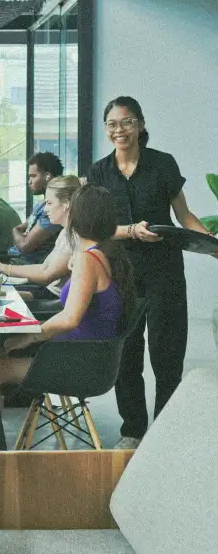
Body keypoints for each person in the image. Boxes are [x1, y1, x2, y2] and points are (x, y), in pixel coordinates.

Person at [88, 95, 217, 450]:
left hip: (165, 271)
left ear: (141, 125)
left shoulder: (162, 164)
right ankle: (133, 429)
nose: (120, 130)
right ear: (106, 129)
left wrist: (210, 241)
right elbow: (96, 227)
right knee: (126, 354)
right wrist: (130, 230)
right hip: (120, 275)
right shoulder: (99, 172)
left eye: (127, 122)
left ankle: (165, 433)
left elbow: (184, 216)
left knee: (167, 353)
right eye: (113, 124)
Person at [0, 184, 137, 417]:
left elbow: (69, 318)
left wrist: (28, 338)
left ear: (76, 216)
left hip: (78, 363)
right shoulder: (104, 253)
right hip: (86, 356)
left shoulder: (89, 260)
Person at [0, 175, 81, 302]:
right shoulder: (65, 232)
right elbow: (44, 268)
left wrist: (2, 267)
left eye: (49, 203)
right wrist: (0, 267)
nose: (45, 209)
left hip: (51, 301)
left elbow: (45, 276)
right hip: (44, 292)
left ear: (66, 205)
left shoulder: (75, 237)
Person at [8, 152, 63, 264]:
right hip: (16, 261)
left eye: (33, 176)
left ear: (47, 176)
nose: (29, 181)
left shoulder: (53, 210)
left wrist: (15, 230)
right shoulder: (41, 205)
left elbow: (24, 245)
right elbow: (23, 230)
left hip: (28, 265)